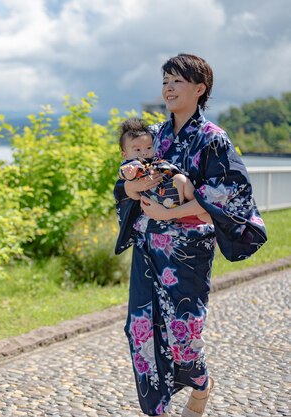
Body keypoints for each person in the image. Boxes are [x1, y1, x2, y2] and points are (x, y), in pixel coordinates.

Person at [114, 54, 267, 417]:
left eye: (177, 81)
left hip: (188, 251)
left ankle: (200, 387)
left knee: (183, 332)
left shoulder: (214, 139)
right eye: (165, 80)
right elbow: (124, 186)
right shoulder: (152, 135)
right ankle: (158, 410)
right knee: (141, 330)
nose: (168, 87)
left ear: (200, 89)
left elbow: (230, 198)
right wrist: (135, 190)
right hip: (149, 246)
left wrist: (170, 211)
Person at [117, 118, 211, 224]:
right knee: (180, 179)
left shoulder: (153, 160)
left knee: (179, 179)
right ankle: (197, 206)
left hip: (166, 194)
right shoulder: (132, 164)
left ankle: (197, 206)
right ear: (125, 155)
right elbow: (126, 176)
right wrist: (131, 174)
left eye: (148, 147)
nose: (144, 152)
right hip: (156, 201)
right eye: (137, 150)